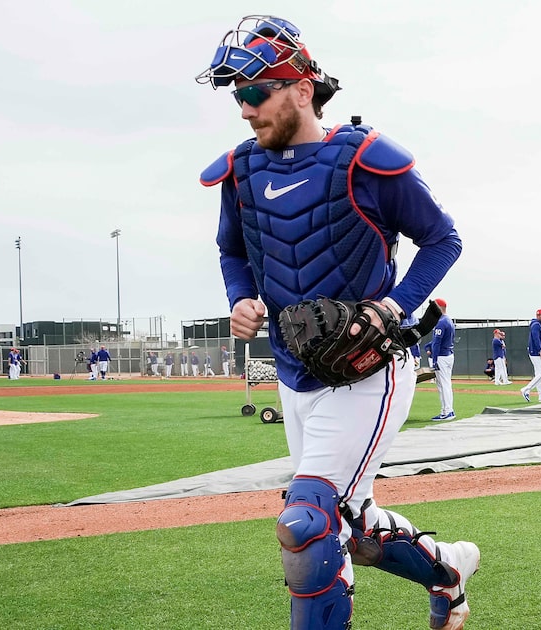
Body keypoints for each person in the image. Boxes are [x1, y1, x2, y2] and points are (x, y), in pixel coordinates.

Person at [197, 15, 477, 630]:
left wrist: (394, 305)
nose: (243, 110)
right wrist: (241, 298)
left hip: (369, 372)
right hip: (294, 375)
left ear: (301, 87)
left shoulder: (368, 160)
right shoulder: (240, 173)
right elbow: (233, 251)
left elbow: (442, 241)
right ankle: (449, 571)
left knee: (308, 521)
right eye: (236, 97)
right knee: (356, 526)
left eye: (253, 93)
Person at [431, 298, 456, 420]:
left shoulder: (441, 321)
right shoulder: (449, 320)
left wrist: (434, 359)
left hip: (442, 356)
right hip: (448, 354)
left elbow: (437, 343)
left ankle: (447, 411)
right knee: (444, 384)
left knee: (444, 385)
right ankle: (446, 410)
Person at [521, 309, 541, 402]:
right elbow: (536, 338)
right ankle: (526, 390)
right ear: (538, 315)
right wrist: (540, 350)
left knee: (539, 374)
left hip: (535, 352)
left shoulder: (537, 325)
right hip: (536, 352)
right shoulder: (536, 325)